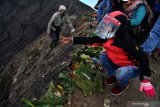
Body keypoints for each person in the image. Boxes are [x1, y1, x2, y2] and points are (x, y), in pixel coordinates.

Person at [67, 11, 155, 97]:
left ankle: (123, 84)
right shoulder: (107, 36)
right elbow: (91, 40)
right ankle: (115, 75)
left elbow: (142, 57)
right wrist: (72, 39)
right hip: (118, 62)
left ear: (119, 28)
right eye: (106, 24)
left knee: (120, 73)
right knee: (102, 56)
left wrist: (145, 78)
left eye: (110, 25)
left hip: (131, 66)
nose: (106, 27)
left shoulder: (127, 42)